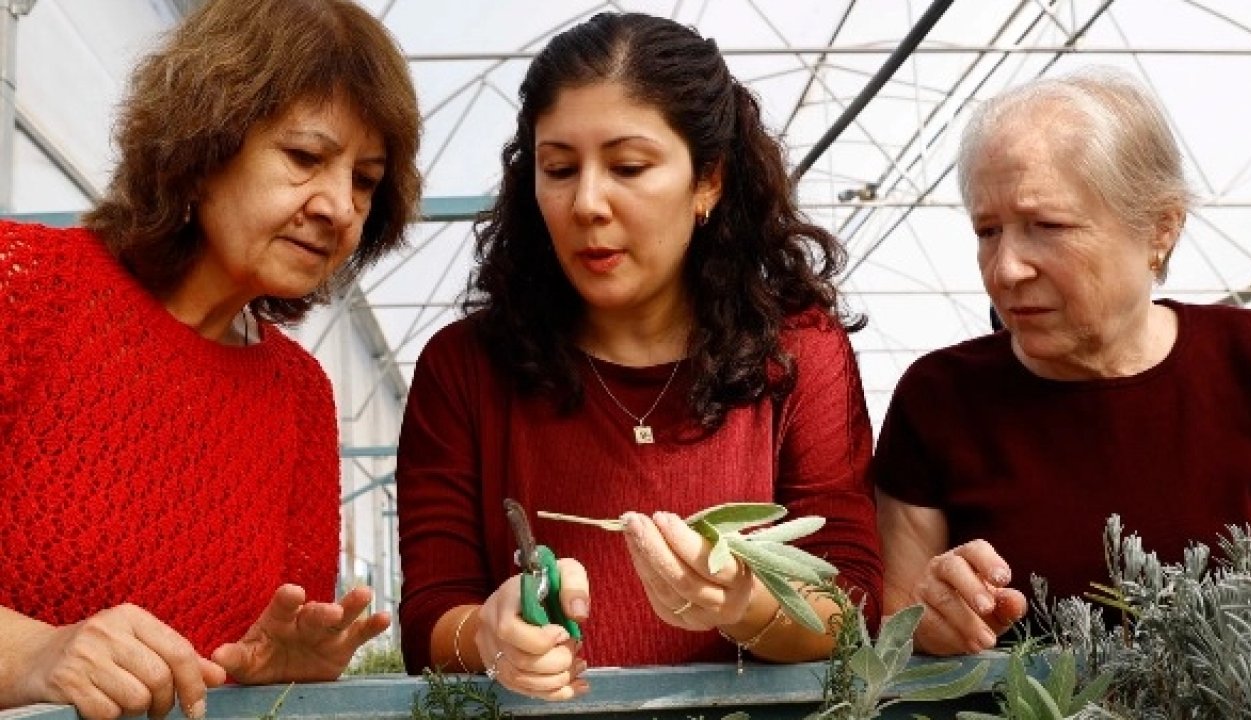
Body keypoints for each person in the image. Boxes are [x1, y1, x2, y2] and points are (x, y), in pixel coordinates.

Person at [396, 11, 882, 701]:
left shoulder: (799, 351)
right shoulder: (465, 368)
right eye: (559, 169)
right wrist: (490, 637)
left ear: (708, 180)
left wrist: (745, 604)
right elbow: (429, 617)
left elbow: (852, 600)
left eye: (628, 167)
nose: (587, 203)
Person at [0, 0, 421, 717]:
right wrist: (33, 653)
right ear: (201, 149)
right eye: (305, 158)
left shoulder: (300, 395)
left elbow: (257, 664)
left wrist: (272, 673)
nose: (340, 206)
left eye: (365, 180)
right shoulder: (26, 287)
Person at [872, 68, 1251, 657]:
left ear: (1160, 227)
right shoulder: (939, 400)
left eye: (1047, 226)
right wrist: (931, 618)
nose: (1006, 269)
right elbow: (895, 629)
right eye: (988, 231)